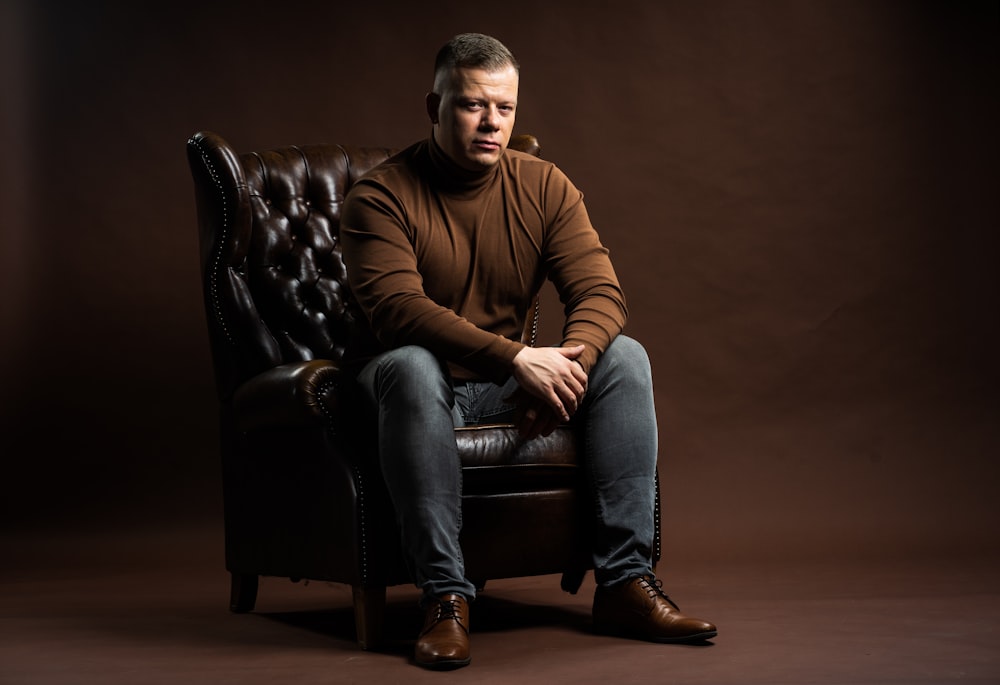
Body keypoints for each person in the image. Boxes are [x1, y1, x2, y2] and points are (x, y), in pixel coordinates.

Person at [340, 32, 716, 670]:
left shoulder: (545, 187)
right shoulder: (379, 196)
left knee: (624, 356)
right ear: (434, 108)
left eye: (505, 108)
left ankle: (625, 582)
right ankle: (444, 598)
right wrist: (516, 359)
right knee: (411, 364)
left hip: (497, 387)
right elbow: (398, 311)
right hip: (403, 391)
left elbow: (601, 293)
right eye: (471, 105)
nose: (492, 123)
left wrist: (567, 370)